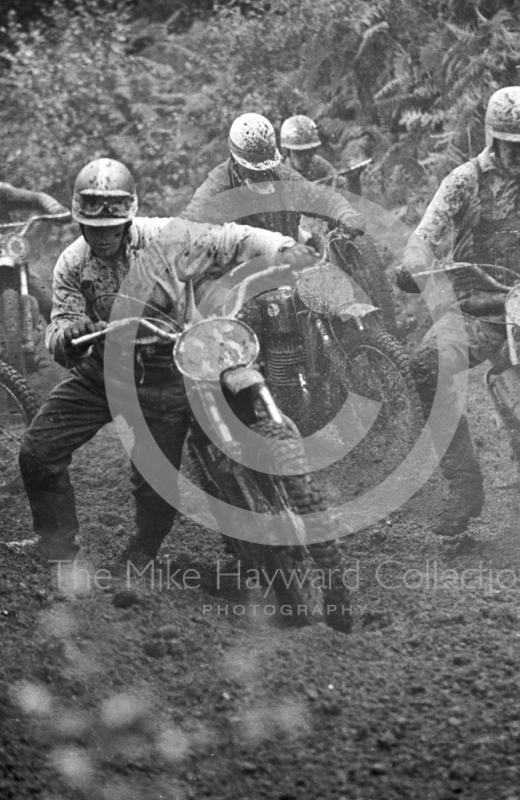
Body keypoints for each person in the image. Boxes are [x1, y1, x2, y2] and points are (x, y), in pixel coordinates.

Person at [17, 158, 317, 564]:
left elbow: (227, 239)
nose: (103, 236)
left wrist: (281, 247)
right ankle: (56, 548)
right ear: (79, 222)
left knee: (156, 480)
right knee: (38, 450)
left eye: (112, 226)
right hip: (105, 369)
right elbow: (60, 328)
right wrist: (68, 336)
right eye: (93, 227)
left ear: (128, 219)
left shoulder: (163, 241)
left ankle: (146, 547)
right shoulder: (72, 264)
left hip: (169, 365)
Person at [397, 86, 520, 537]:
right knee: (426, 365)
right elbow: (427, 233)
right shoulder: (463, 180)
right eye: (513, 145)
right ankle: (464, 484)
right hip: (479, 307)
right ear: (493, 139)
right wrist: (417, 262)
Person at [181, 112, 365, 240]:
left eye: (265, 166)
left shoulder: (281, 175)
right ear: (236, 160)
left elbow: (321, 199)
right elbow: (189, 228)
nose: (261, 173)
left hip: (288, 267)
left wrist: (345, 214)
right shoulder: (216, 188)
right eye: (253, 168)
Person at [0, 181, 70, 322]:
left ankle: (68, 338)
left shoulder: (3, 192)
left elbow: (37, 198)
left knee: (48, 302)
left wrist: (55, 208)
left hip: (7, 257)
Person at [280, 114, 341, 186]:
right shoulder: (279, 173)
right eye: (298, 153)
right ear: (287, 151)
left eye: (308, 152)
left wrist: (352, 180)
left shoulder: (317, 163)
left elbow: (339, 182)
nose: (304, 157)